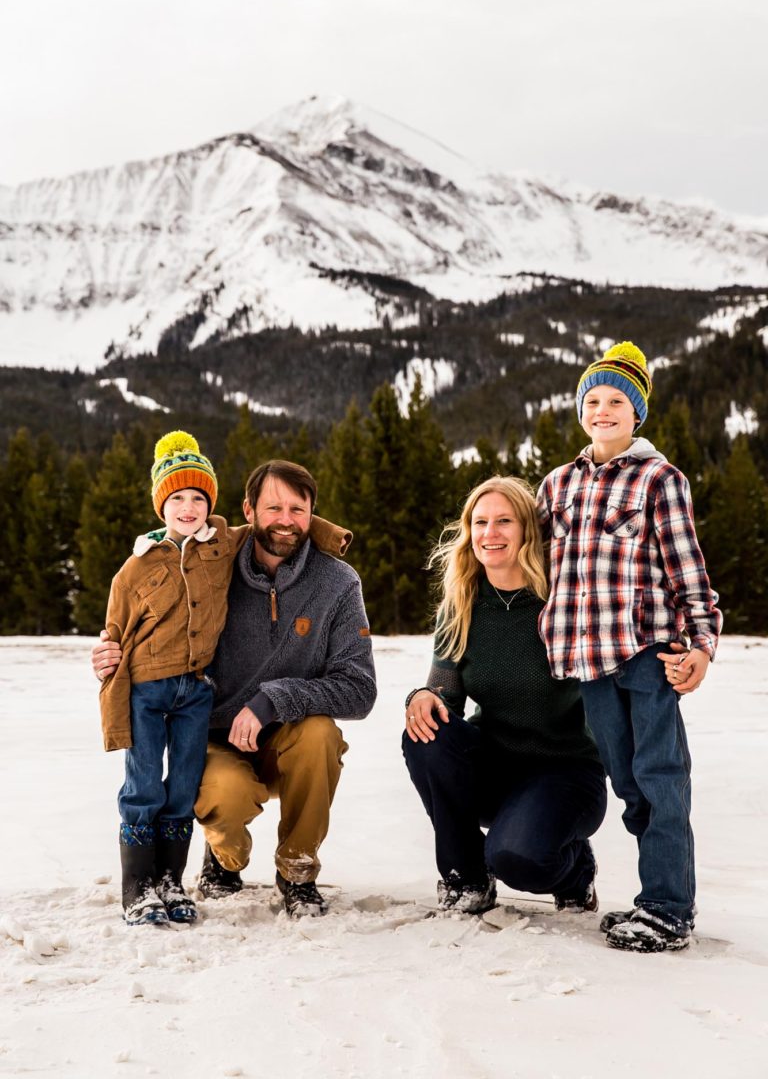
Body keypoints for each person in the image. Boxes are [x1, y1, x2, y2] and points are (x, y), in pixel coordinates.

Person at [94, 457, 376, 919]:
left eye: (298, 510)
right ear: (248, 509)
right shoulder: (213, 563)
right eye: (273, 508)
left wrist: (274, 700)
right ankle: (224, 859)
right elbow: (155, 610)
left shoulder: (338, 583)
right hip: (211, 737)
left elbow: (359, 689)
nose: (285, 521)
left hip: (286, 738)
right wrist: (112, 650)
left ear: (313, 514)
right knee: (222, 792)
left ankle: (297, 873)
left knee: (320, 734)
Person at [537, 341, 722, 954]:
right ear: (580, 410)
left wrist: (702, 643)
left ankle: (670, 908)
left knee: (660, 776)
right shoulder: (557, 483)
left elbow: (687, 570)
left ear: (636, 412)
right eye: (593, 400)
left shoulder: (659, 480)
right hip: (586, 659)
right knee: (627, 781)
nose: (603, 409)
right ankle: (652, 900)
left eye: (617, 400)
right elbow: (537, 564)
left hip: (647, 652)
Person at [402, 476, 607, 917]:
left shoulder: (564, 601)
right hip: (494, 766)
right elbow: (445, 695)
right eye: (479, 522)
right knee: (424, 731)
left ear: (528, 530)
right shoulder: (461, 603)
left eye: (503, 521)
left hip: (566, 772)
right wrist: (423, 695)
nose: (489, 533)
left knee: (519, 859)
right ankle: (465, 878)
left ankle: (575, 870)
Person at [100, 430, 230, 926]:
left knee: (183, 786)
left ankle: (171, 880)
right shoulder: (134, 568)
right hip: (147, 690)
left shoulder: (221, 547)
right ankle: (138, 886)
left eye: (199, 497)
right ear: (162, 505)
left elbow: (266, 531)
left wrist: (330, 536)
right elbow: (113, 635)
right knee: (144, 785)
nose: (189, 506)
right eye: (178, 497)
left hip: (197, 690)